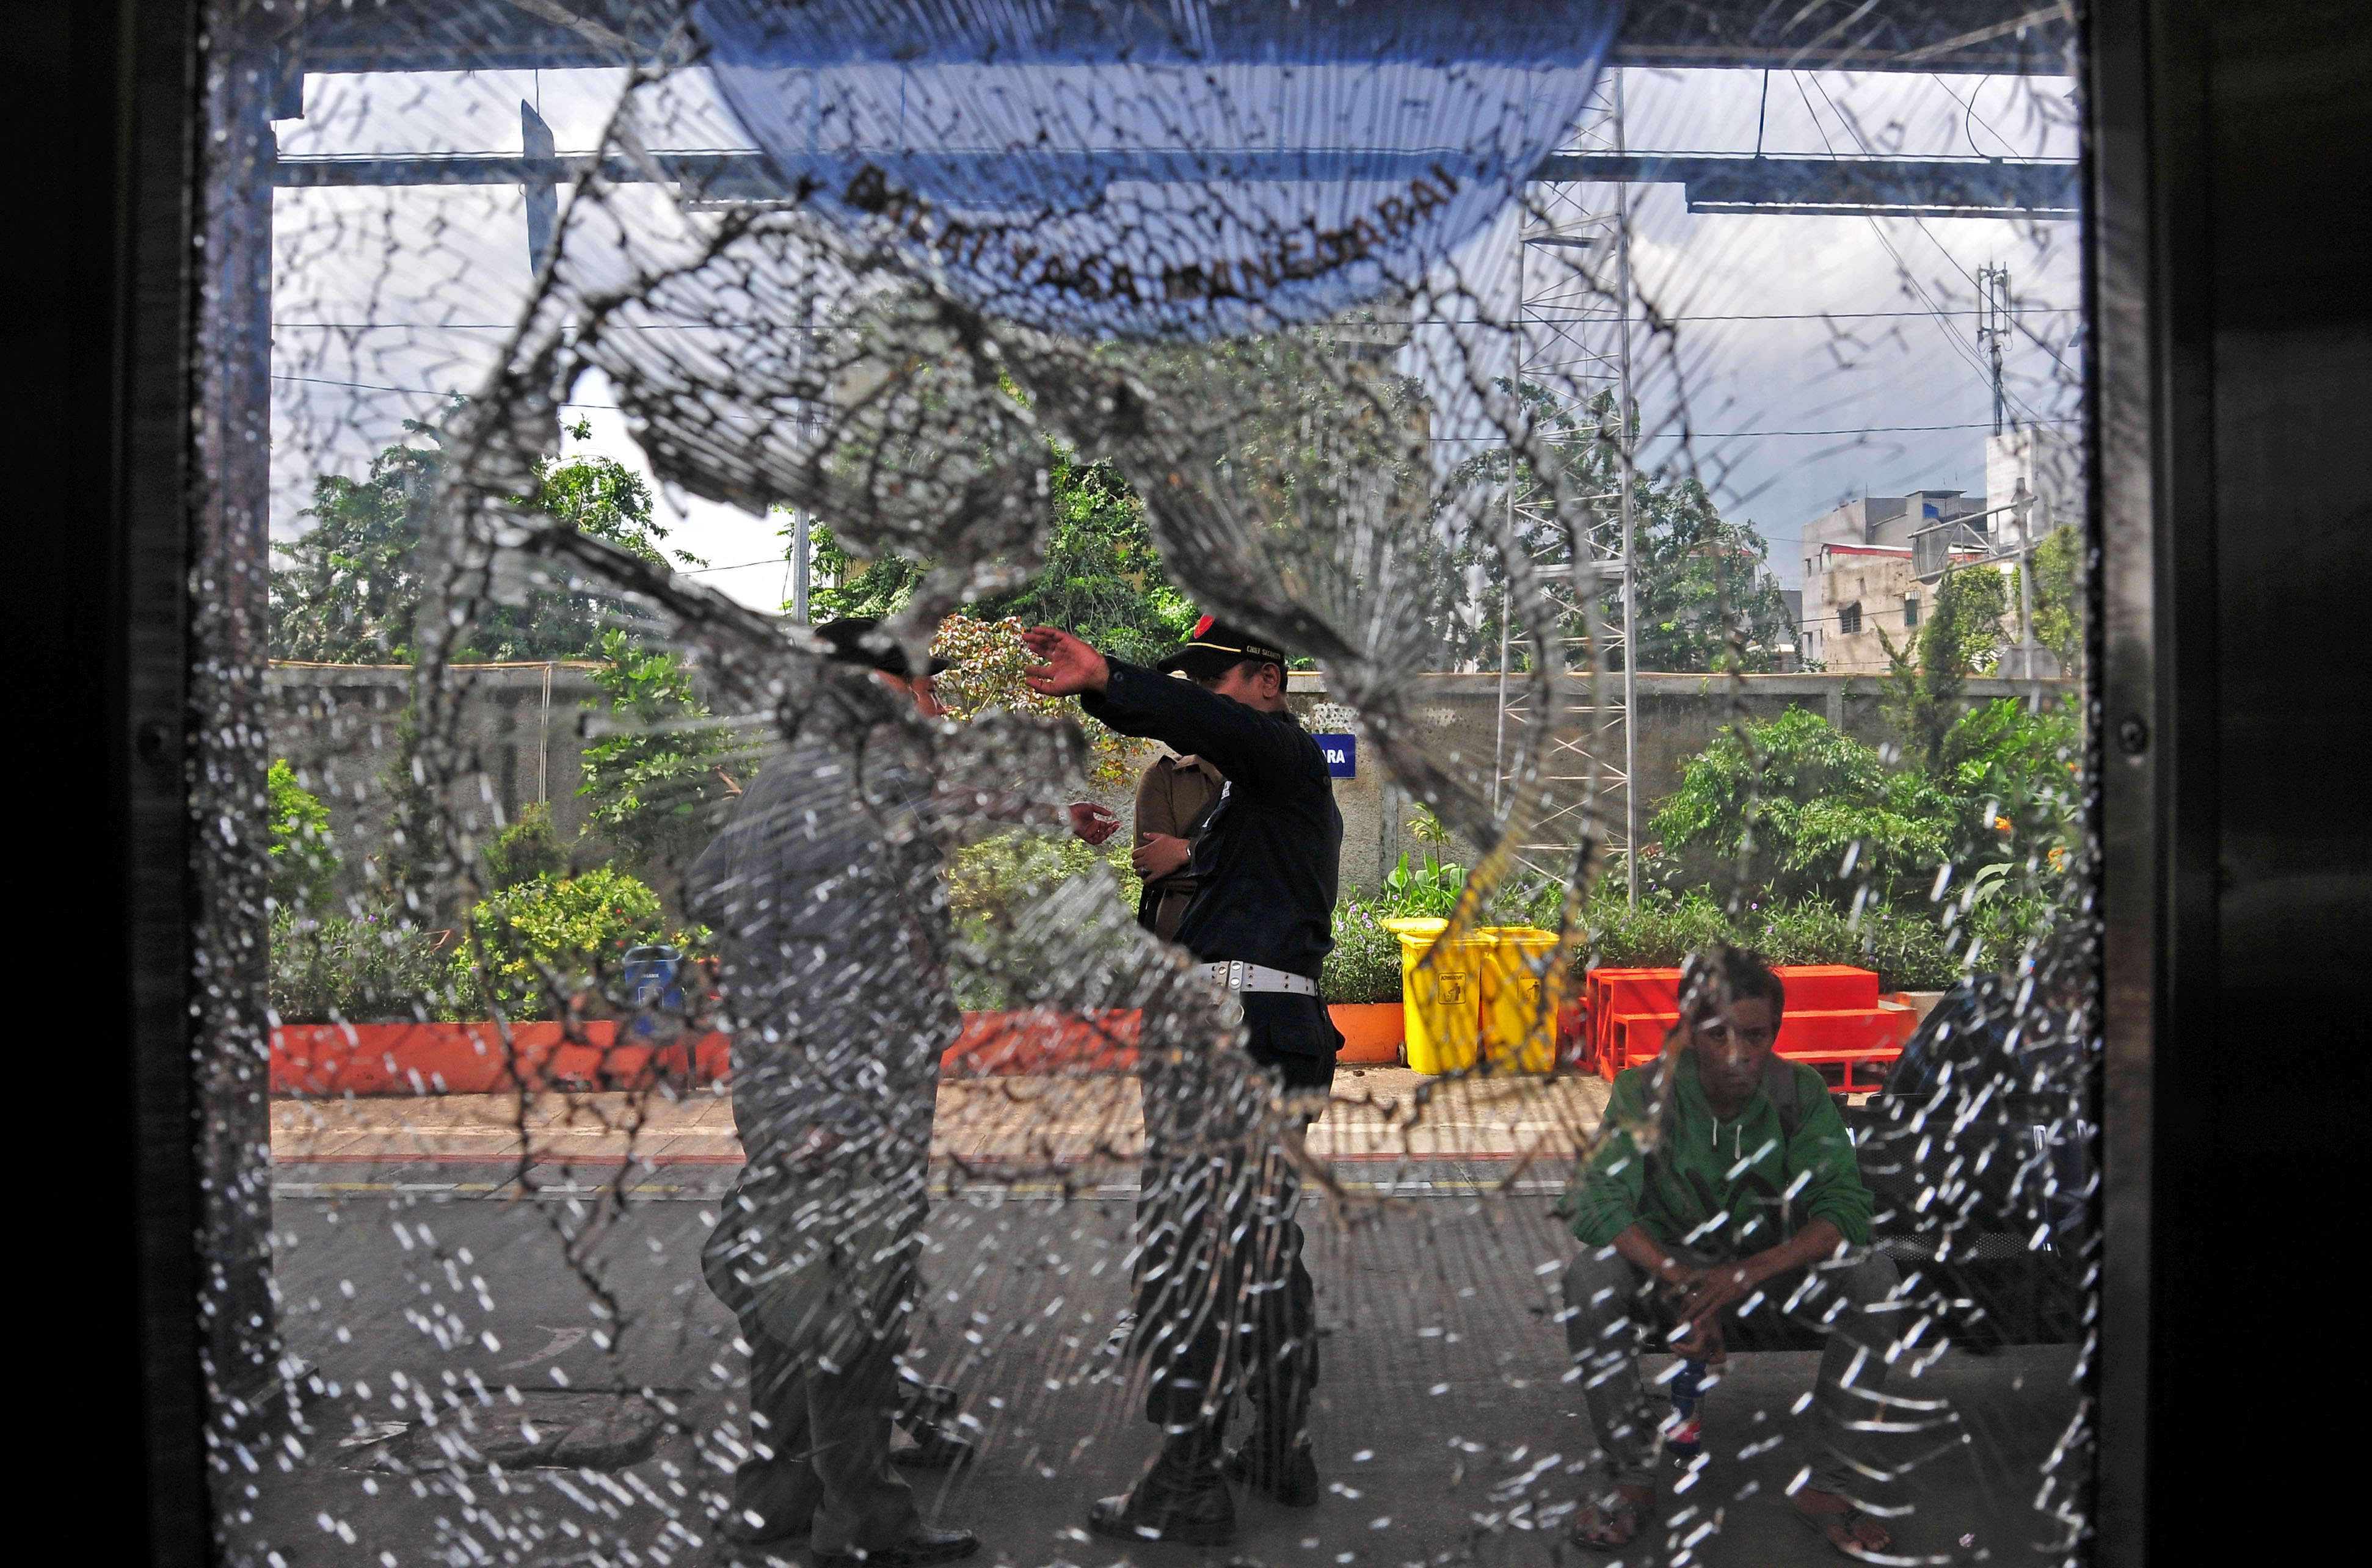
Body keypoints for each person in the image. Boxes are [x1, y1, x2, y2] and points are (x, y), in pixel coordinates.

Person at [688, 616, 1111, 1566]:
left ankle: (778, 1498)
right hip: (849, 1093)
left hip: (784, 1081)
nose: (938, 710)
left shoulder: (789, 777)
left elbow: (714, 889)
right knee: (857, 1306)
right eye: (929, 690)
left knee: (791, 1289)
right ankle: (864, 1520)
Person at [1022, 615, 1342, 1545]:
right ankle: (1279, 1445)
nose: (1202, 701)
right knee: (1262, 1248)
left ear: (1267, 683)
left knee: (1190, 1251)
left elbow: (1224, 730)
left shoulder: (1279, 753)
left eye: (1215, 681)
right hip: (1264, 1033)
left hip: (1233, 1041)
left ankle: (1189, 1481)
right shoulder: (1258, 792)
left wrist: (1108, 680)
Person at [1556, 945, 1902, 1558]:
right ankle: (1632, 1482)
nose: (1738, 1053)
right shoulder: (1644, 1092)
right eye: (1718, 1035)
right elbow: (1597, 1201)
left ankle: (1827, 1489)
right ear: (1690, 1031)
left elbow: (1846, 1207)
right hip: (1668, 1278)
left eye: (1755, 1035)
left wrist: (1746, 1274)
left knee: (1874, 1276)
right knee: (1589, 1278)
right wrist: (1684, 1282)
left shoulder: (1799, 1092)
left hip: (1770, 1276)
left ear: (1774, 1033)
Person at [1131, 747, 1224, 942]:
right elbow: (1151, 866)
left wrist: (1186, 851)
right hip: (1180, 944)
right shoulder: (1164, 774)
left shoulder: (1279, 779)